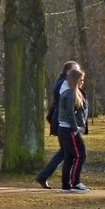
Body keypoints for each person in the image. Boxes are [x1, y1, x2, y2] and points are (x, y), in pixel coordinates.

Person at [36, 60, 79, 189]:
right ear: (68, 71)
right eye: (75, 70)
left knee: (64, 151)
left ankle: (44, 176)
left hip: (60, 121)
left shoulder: (63, 83)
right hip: (62, 122)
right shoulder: (64, 85)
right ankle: (65, 181)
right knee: (68, 152)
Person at [57, 65, 91, 192]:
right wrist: (75, 127)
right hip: (69, 129)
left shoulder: (69, 92)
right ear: (76, 80)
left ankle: (66, 184)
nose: (82, 83)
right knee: (80, 155)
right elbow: (69, 113)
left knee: (70, 156)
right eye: (81, 80)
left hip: (65, 129)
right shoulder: (70, 94)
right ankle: (75, 182)